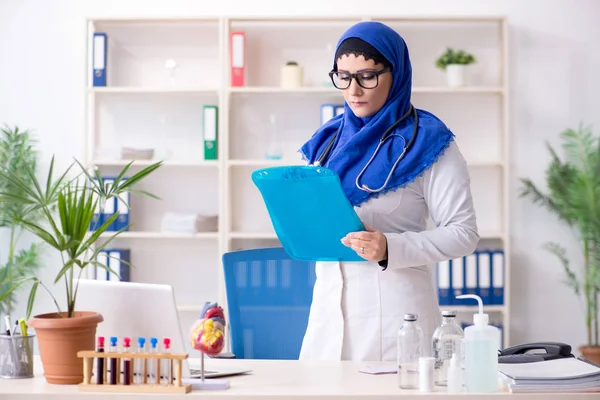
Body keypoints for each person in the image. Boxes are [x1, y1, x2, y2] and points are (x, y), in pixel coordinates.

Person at [298, 21, 479, 361]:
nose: (353, 90)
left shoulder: (429, 141)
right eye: (343, 76)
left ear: (395, 73)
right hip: (327, 317)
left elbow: (464, 233)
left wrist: (389, 248)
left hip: (396, 321)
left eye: (367, 76)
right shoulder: (326, 141)